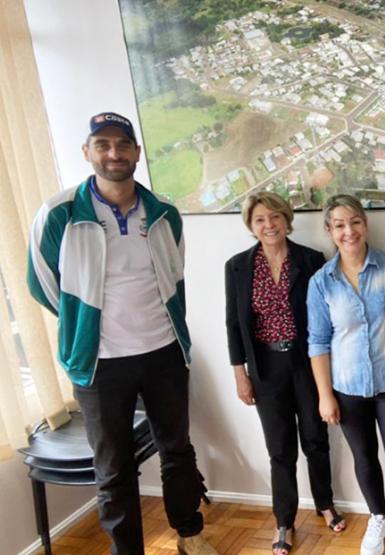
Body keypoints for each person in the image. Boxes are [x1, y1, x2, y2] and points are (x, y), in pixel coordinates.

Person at [26, 112, 216, 554]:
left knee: (178, 451)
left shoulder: (163, 212)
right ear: (88, 152)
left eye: (122, 144)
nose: (114, 153)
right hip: (98, 363)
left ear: (136, 152)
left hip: (163, 353)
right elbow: (42, 283)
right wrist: (84, 324)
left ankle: (190, 534)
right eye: (103, 144)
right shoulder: (59, 214)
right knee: (113, 468)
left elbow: (174, 274)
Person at [306, 194, 385, 555]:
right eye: (340, 225)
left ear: (366, 224)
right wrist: (325, 395)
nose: (350, 231)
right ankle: (378, 518)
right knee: (364, 458)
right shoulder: (322, 282)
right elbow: (317, 341)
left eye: (355, 222)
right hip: (347, 388)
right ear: (330, 232)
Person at [224, 191, 345, 555]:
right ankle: (284, 521)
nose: (269, 225)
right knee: (280, 448)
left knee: (315, 439)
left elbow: (327, 318)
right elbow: (233, 324)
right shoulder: (237, 267)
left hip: (307, 363)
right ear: (251, 225)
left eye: (275, 217)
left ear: (286, 219)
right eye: (260, 219)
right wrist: (239, 374)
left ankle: (325, 503)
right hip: (265, 368)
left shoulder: (311, 260)